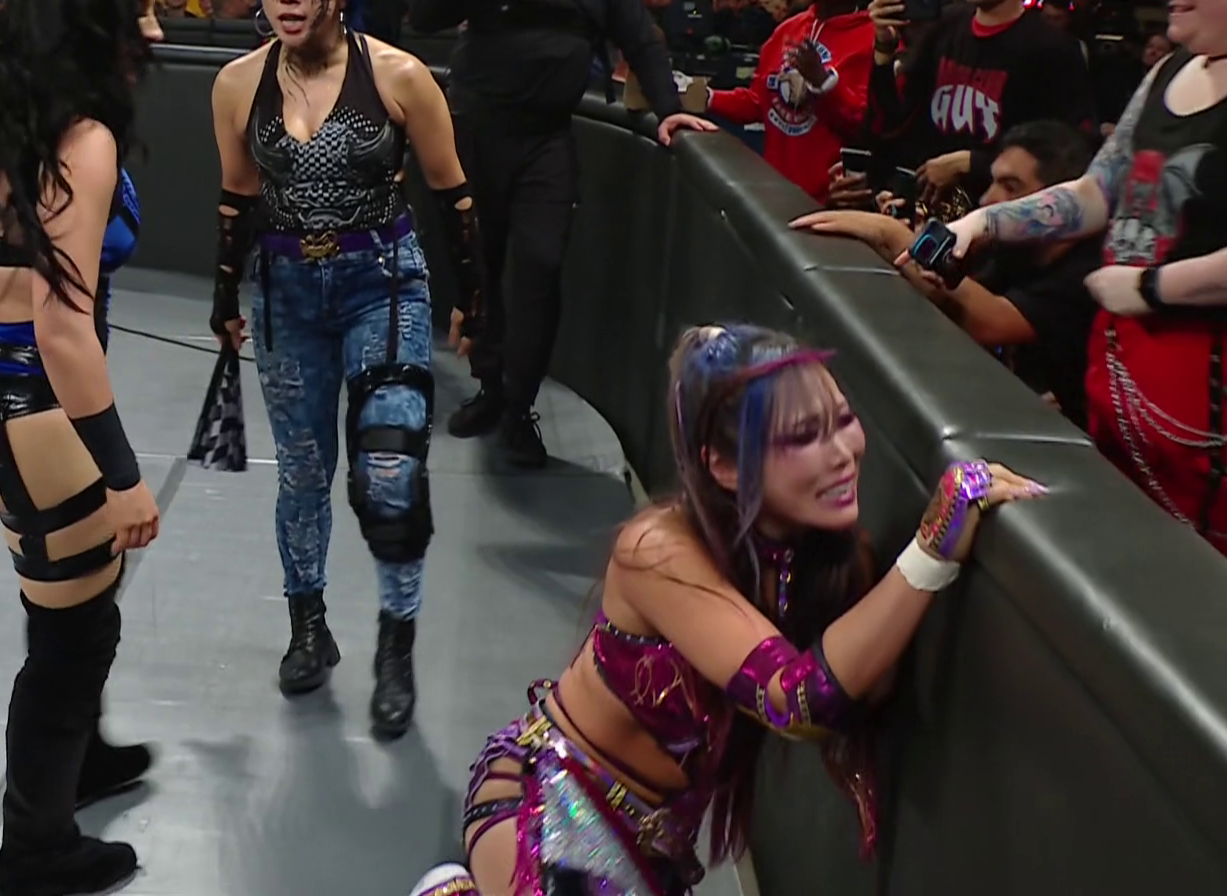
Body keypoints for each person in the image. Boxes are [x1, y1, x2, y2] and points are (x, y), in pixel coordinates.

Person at [407, 323, 1044, 896]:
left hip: (653, 848)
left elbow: (863, 691)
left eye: (844, 420)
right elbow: (797, 702)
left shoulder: (824, 557)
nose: (843, 452)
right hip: (553, 805)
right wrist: (932, 547)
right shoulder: (657, 550)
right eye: (804, 436)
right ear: (725, 467)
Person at [0, 0, 166, 895]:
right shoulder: (83, 139)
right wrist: (124, 476)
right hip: (29, 417)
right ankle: (36, 849)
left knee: (67, 603)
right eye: (138, 8)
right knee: (76, 634)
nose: (156, 30)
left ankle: (84, 759)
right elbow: (63, 332)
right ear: (88, 10)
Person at [208, 0, 487, 741]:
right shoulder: (237, 84)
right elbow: (236, 198)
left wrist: (473, 298)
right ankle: (308, 627)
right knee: (302, 473)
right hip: (286, 291)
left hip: (382, 284)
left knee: (391, 467)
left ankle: (396, 647)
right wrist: (224, 299)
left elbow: (454, 195)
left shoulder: (400, 76)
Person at [933, 0, 1227, 551]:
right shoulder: (1169, 73)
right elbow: (1097, 191)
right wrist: (981, 224)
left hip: (1206, 401)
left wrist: (1152, 286)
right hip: (1120, 374)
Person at [412, 0, 715, 469]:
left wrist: (669, 109)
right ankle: (491, 388)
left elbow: (642, 40)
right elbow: (426, 14)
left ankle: (520, 404)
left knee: (540, 267)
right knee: (480, 269)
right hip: (475, 132)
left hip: (545, 139)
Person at [793, 120, 1101, 425]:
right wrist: (912, 243)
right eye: (993, 182)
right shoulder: (1010, 250)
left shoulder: (1086, 270)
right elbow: (948, 294)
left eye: (1010, 188)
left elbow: (991, 322)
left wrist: (891, 236)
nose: (987, 200)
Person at [865, 0, 1097, 218]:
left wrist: (973, 163)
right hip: (928, 216)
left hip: (1003, 225)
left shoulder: (1053, 50)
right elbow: (892, 125)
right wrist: (883, 51)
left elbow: (1067, 157)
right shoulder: (945, 26)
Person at [702, 0, 879, 204]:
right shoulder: (787, 30)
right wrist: (706, 96)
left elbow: (870, 127)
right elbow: (758, 101)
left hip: (834, 203)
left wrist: (823, 82)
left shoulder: (875, 39)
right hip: (773, 193)